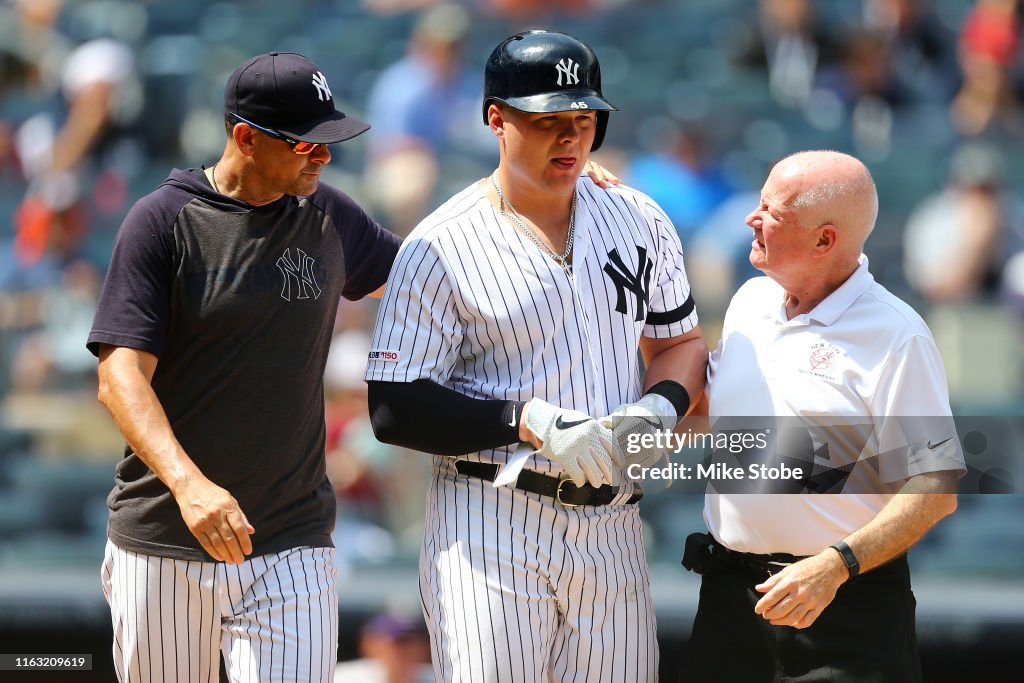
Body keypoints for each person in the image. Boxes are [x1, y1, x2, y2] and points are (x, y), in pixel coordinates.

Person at [365, 30, 707, 682]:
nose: (571, 138)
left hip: (612, 523)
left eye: (583, 120)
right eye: (548, 120)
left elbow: (679, 343)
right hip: (493, 519)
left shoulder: (638, 217)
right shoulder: (442, 242)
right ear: (497, 117)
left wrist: (659, 408)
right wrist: (526, 419)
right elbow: (393, 406)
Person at [87, 52, 403, 682]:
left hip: (295, 537)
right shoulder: (162, 222)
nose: (324, 157)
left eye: (328, 142)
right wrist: (188, 484)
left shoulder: (330, 216)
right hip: (168, 536)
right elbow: (119, 378)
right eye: (306, 145)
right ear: (246, 138)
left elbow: (437, 269)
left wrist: (530, 189)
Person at [679, 150, 965, 682]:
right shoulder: (748, 302)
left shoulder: (897, 335)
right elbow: (715, 413)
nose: (751, 218)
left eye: (772, 211)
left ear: (824, 240)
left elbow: (937, 486)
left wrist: (837, 565)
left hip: (843, 609)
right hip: (729, 603)